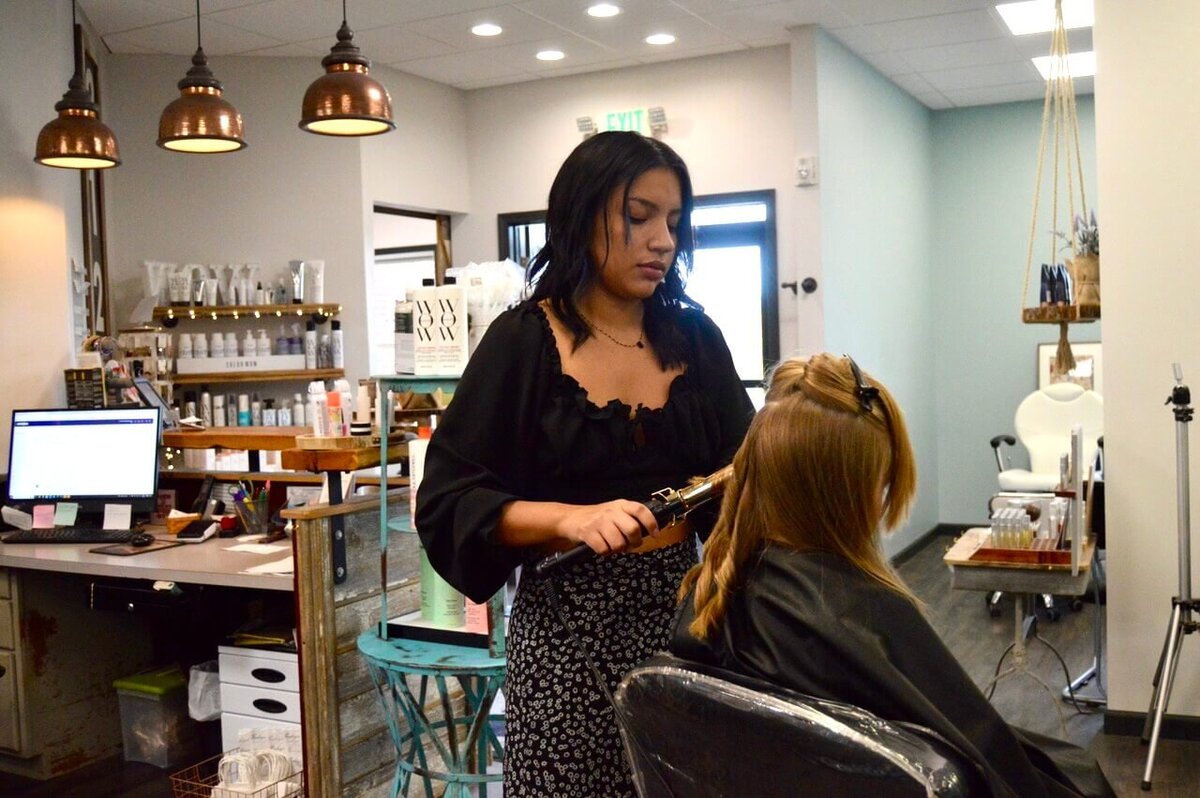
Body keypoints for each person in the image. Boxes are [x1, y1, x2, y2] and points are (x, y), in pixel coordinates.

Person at [415, 130, 755, 797]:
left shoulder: (696, 340)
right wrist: (572, 520)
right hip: (567, 635)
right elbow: (450, 501)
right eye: (638, 216)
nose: (662, 239)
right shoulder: (522, 344)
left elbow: (746, 478)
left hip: (681, 619)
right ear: (581, 215)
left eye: (674, 222)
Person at [672, 353, 1115, 798]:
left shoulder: (715, 590)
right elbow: (980, 756)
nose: (882, 498)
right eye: (881, 482)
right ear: (847, 494)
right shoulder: (853, 612)